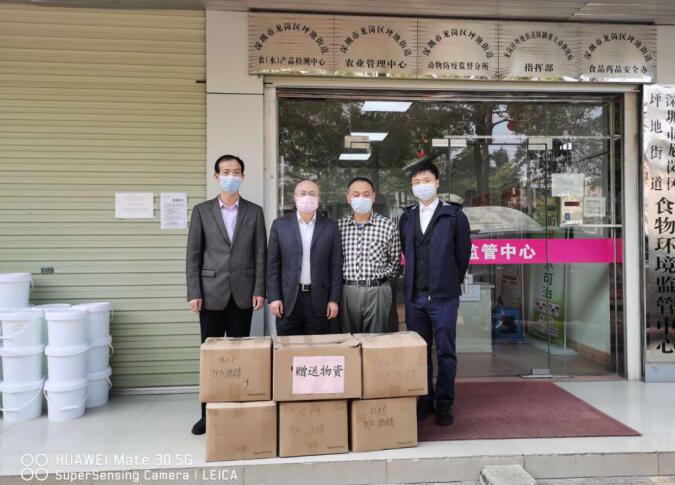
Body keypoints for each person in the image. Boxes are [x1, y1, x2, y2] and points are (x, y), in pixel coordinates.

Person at [186, 154, 266, 435]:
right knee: (211, 357)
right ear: (216, 176)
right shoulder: (202, 211)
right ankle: (207, 414)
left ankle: (236, 409)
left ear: (243, 176)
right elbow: (193, 255)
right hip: (210, 294)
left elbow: (260, 253)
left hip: (243, 294)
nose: (231, 176)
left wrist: (259, 289)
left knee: (239, 356)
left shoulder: (254, 212)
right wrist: (194, 292)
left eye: (236, 172)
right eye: (225, 171)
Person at [399, 159, 471, 427]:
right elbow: (406, 250)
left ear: (437, 183)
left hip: (444, 298)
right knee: (420, 352)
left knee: (445, 352)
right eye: (416, 182)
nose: (422, 186)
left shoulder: (454, 216)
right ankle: (425, 401)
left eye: (426, 181)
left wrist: (449, 282)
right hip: (415, 297)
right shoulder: (407, 217)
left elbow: (463, 255)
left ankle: (444, 404)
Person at [267, 180, 342, 336]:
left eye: (312, 194)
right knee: (288, 346)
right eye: (302, 193)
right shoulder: (280, 225)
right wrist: (274, 297)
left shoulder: (330, 227)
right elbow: (273, 265)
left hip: (320, 300)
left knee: (318, 347)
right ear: (294, 197)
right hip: (288, 300)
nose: (307, 197)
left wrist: (333, 299)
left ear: (318, 198)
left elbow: (335, 265)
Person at [337, 177, 401, 334]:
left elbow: (395, 261)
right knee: (348, 338)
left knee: (376, 339)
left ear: (373, 197)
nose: (361, 198)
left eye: (366, 194)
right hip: (347, 290)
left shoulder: (387, 226)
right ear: (348, 198)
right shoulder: (339, 226)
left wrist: (379, 279)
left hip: (378, 290)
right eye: (356, 194)